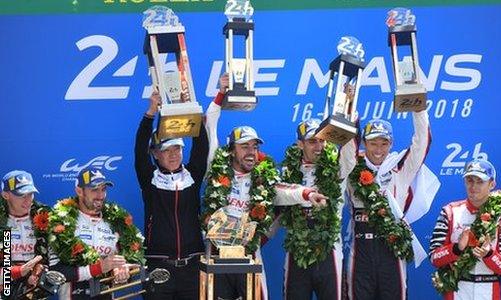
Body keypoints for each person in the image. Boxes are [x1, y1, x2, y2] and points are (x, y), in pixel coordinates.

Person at [203, 73, 329, 300]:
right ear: (231, 150)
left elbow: (285, 191)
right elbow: (210, 125)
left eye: (254, 146)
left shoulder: (263, 178)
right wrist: (221, 94)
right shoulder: (216, 167)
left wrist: (308, 193)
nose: (251, 152)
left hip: (249, 253)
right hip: (217, 254)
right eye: (244, 147)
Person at [344, 107, 431, 300]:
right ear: (364, 143)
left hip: (391, 249)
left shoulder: (400, 166)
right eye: (373, 143)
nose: (378, 149)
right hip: (360, 250)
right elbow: (347, 146)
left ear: (391, 144)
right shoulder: (352, 167)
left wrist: (419, 110)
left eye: (384, 143)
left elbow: (421, 144)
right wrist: (350, 110)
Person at [134, 89, 209, 299]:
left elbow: (201, 146)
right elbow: (139, 150)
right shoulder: (150, 179)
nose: (174, 154)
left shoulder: (192, 175)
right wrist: (150, 113)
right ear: (156, 154)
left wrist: (190, 111)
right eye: (167, 150)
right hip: (158, 265)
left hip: (192, 265)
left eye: (177, 148)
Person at [279, 118, 356, 300]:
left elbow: (350, 152)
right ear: (300, 144)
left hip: (329, 252)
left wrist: (349, 114)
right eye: (312, 141)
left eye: (322, 140)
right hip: (297, 253)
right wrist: (305, 194)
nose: (318, 146)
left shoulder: (337, 168)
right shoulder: (288, 171)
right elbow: (277, 193)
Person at [48, 167, 144, 299]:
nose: (100, 195)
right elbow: (56, 271)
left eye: (103, 189)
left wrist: (123, 269)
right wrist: (98, 268)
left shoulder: (116, 221)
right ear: (79, 191)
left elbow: (133, 259)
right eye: (94, 190)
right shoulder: (61, 222)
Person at [429, 159, 501, 300]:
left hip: (489, 290)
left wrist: (489, 254)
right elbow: (434, 258)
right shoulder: (449, 211)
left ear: (492, 184)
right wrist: (457, 248)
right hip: (457, 289)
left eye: (480, 181)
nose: (473, 186)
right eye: (469, 180)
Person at [1, 170, 50, 298]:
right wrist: (19, 271)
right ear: (6, 195)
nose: (28, 200)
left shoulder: (44, 218)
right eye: (22, 195)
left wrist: (38, 272)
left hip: (33, 292)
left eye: (31, 194)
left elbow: (52, 260)